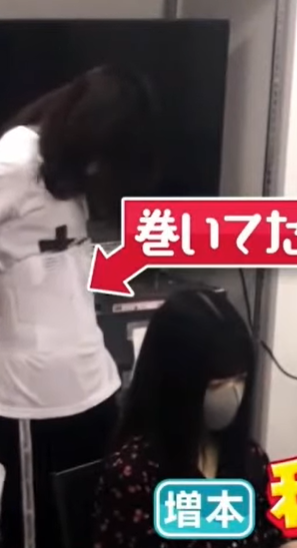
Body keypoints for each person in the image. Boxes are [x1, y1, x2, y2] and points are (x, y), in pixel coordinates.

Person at [0, 65, 159, 548]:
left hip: (94, 383)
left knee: (94, 520)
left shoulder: (72, 171)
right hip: (32, 398)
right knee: (40, 531)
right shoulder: (15, 162)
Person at [93, 289, 297, 548]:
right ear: (177, 384)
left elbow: (278, 532)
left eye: (240, 379)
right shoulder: (134, 477)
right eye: (217, 385)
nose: (233, 395)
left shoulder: (247, 457)